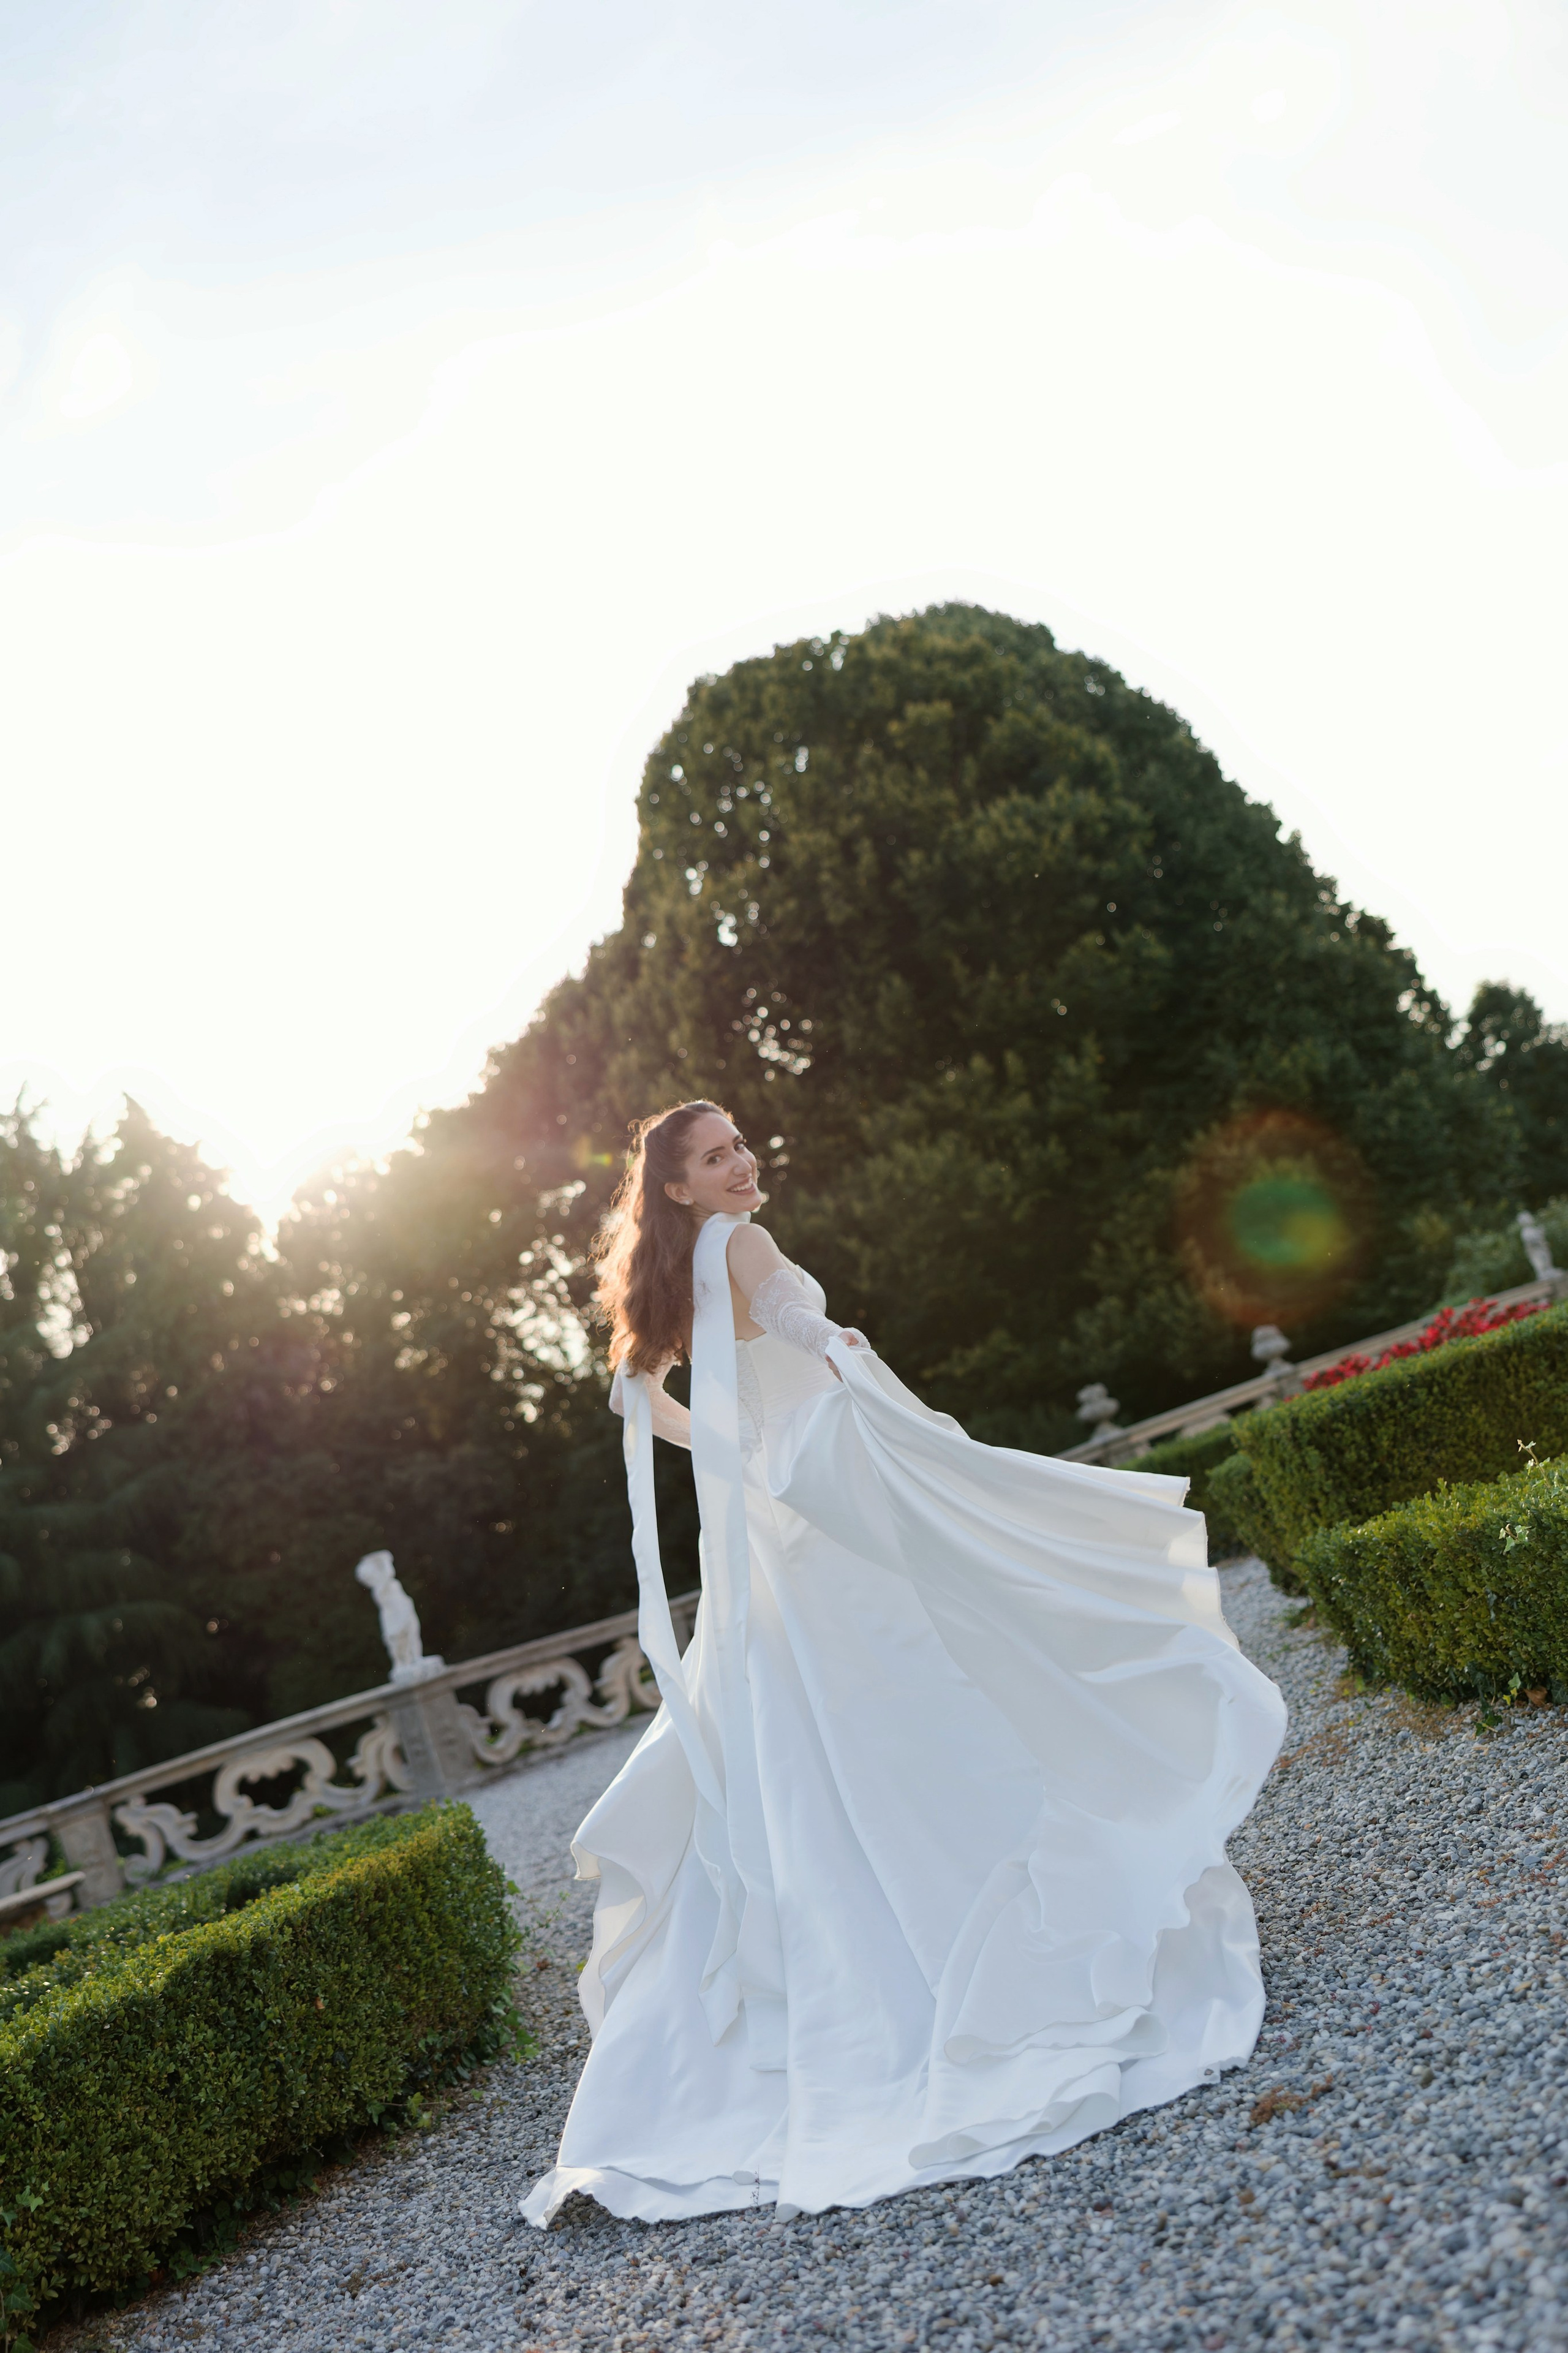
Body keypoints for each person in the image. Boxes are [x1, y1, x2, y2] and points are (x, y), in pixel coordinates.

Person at [521, 1101, 1286, 2229]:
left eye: (741, 1145)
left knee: (823, 1733)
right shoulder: (741, 1242)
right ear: (677, 1185)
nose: (743, 1164)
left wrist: (743, 1443)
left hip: (771, 1513)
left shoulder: (670, 1275)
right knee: (964, 1645)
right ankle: (994, 1928)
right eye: (717, 1157)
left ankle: (823, 1989)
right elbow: (790, 1316)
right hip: (830, 1475)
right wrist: (834, 1347)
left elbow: (639, 1396)